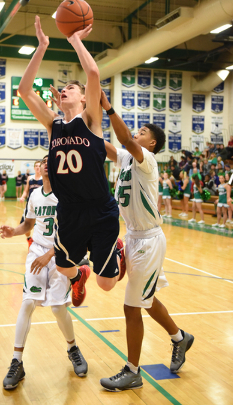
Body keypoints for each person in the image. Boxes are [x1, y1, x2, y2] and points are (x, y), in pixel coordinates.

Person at [17, 16, 124, 307]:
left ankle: (116, 252)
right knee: (65, 268)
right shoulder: (53, 125)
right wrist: (41, 47)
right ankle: (81, 274)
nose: (64, 90)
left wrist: (75, 39)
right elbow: (24, 91)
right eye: (62, 89)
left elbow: (91, 72)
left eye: (71, 89)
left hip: (100, 208)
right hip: (69, 210)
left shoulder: (90, 120)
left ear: (83, 99)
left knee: (107, 285)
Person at [98, 91, 194, 391]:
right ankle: (180, 337)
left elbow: (124, 139)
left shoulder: (146, 159)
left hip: (149, 240)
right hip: (134, 237)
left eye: (142, 132)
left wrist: (109, 108)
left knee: (131, 307)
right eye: (136, 130)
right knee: (146, 301)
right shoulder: (126, 156)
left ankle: (132, 370)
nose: (136, 133)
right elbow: (100, 145)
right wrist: (74, 120)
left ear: (151, 143)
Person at [0, 155, 87, 389]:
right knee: (27, 303)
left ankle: (73, 348)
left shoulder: (68, 194)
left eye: (52, 160)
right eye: (45, 160)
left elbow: (73, 232)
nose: (48, 163)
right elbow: (28, 225)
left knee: (58, 308)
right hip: (36, 252)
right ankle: (17, 362)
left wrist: (51, 254)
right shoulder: (35, 194)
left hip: (59, 254)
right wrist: (13, 231)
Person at [20, 161, 43, 246]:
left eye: (39, 166)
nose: (37, 167)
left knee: (39, 225)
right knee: (25, 224)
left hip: (40, 204)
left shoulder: (44, 178)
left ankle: (38, 242)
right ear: (34, 168)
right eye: (36, 166)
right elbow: (26, 190)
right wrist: (23, 196)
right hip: (30, 204)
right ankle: (29, 239)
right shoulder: (30, 178)